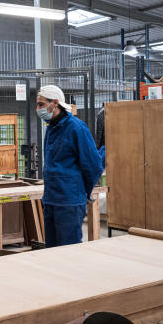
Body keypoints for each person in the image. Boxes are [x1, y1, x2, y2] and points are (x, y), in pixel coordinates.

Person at [37, 85, 103, 248]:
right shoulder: (51, 128)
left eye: (41, 104)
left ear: (55, 103)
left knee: (69, 251)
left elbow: (93, 165)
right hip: (51, 200)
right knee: (52, 250)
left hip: (69, 202)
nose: (38, 109)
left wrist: (82, 192)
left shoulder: (76, 128)